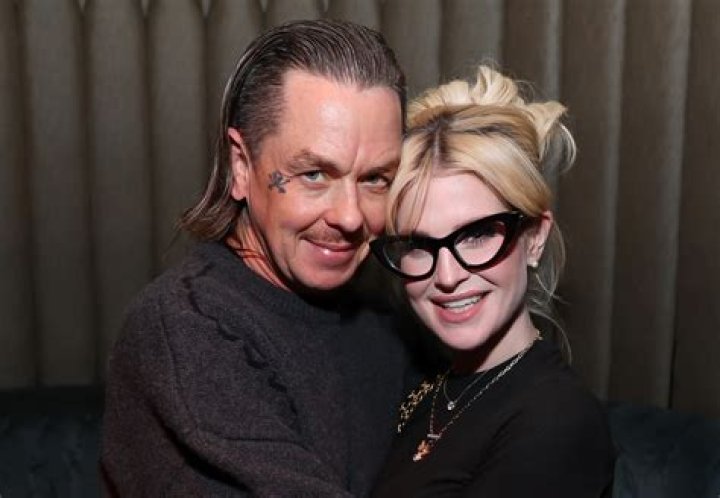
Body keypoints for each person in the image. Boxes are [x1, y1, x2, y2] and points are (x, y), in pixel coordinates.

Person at [101, 19, 411, 496]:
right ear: (241, 167)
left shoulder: (390, 311)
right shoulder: (190, 329)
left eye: (375, 179)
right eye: (314, 174)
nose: (351, 217)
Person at [369, 65, 615, 497]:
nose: (447, 277)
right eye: (419, 245)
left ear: (534, 238)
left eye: (478, 234)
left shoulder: (557, 422)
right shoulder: (423, 385)